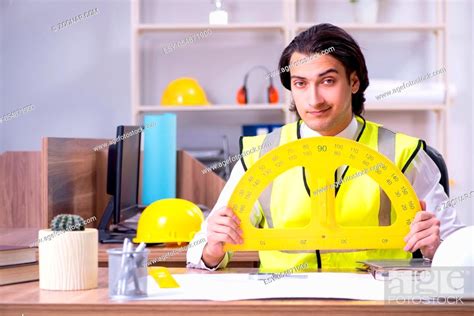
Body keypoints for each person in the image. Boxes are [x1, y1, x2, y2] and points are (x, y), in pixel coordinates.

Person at [187, 23, 465, 271]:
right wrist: (213, 247)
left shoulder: (403, 153)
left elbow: (460, 252)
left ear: (354, 82)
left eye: (328, 81)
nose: (314, 99)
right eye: (301, 84)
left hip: (376, 302)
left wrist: (436, 248)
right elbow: (201, 252)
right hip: (284, 302)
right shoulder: (260, 153)